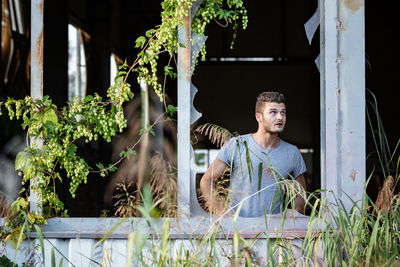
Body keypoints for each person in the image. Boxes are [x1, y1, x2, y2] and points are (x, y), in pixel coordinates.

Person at [200, 91, 307, 217]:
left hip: (274, 232)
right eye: (273, 112)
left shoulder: (292, 152)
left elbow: (301, 195)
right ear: (259, 117)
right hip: (237, 230)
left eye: (283, 112)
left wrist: (294, 215)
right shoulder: (236, 145)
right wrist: (219, 211)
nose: (280, 117)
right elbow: (206, 181)